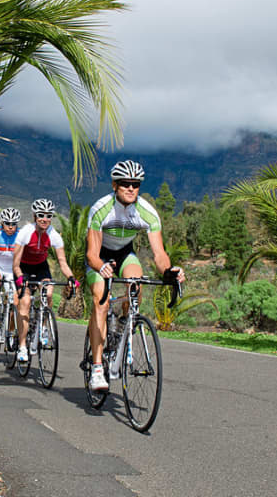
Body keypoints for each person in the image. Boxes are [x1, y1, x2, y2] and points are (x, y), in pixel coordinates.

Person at [85, 160, 184, 391]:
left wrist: (169, 272)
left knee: (135, 287)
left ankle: (120, 326)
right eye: (125, 184)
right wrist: (100, 266)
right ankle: (98, 368)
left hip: (125, 253)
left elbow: (159, 254)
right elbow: (91, 254)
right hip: (100, 255)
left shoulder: (147, 212)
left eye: (136, 184)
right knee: (101, 298)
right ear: (114, 185)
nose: (131, 188)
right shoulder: (101, 208)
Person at [11, 199, 76, 363]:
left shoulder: (54, 235)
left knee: (48, 294)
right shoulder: (25, 232)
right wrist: (20, 278)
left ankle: (44, 327)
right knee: (24, 303)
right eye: (41, 215)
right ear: (34, 216)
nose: (45, 219)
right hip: (23, 268)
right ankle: (22, 346)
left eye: (48, 216)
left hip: (41, 267)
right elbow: (15, 264)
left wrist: (71, 278)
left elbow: (63, 262)